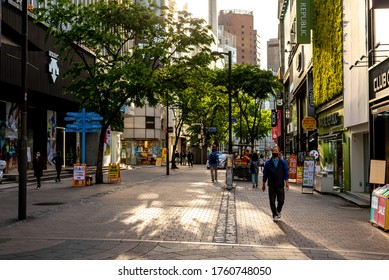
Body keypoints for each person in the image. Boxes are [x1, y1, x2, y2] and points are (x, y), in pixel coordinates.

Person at [262, 145, 289, 222]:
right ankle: (274, 214)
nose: (274, 152)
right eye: (273, 151)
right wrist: (264, 183)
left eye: (276, 151)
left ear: (279, 152)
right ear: (272, 152)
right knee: (272, 201)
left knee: (281, 200)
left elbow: (286, 173)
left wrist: (286, 182)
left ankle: (278, 210)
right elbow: (265, 173)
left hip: (280, 184)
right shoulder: (268, 163)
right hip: (271, 184)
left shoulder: (283, 162)